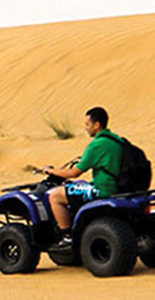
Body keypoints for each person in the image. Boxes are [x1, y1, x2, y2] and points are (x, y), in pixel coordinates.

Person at [43, 107, 123, 250]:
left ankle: (67, 236)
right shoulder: (117, 141)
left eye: (87, 124)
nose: (85, 128)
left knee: (55, 195)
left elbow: (74, 173)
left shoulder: (97, 145)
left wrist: (53, 171)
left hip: (103, 190)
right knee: (79, 185)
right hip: (120, 187)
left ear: (97, 125)